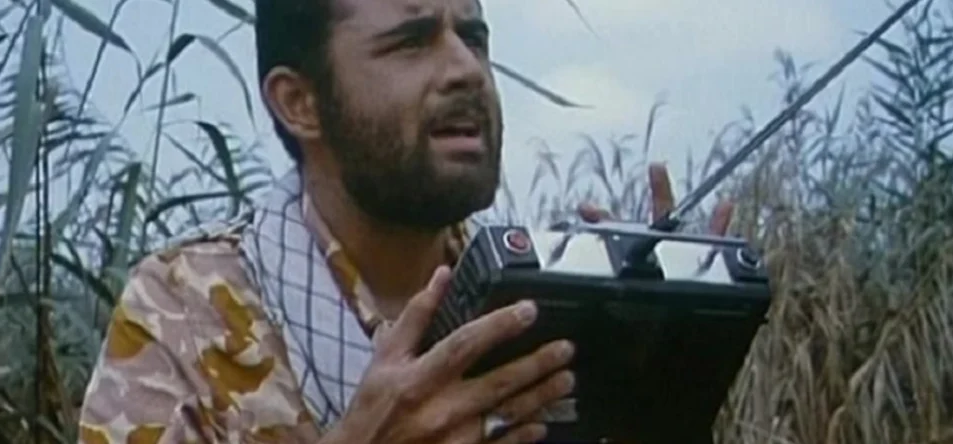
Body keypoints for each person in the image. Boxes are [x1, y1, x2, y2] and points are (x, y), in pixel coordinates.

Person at [76, 0, 735, 443]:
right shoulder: (184, 311)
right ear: (300, 102)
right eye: (412, 43)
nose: (466, 70)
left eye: (473, 37)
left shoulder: (535, 301)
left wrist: (654, 368)